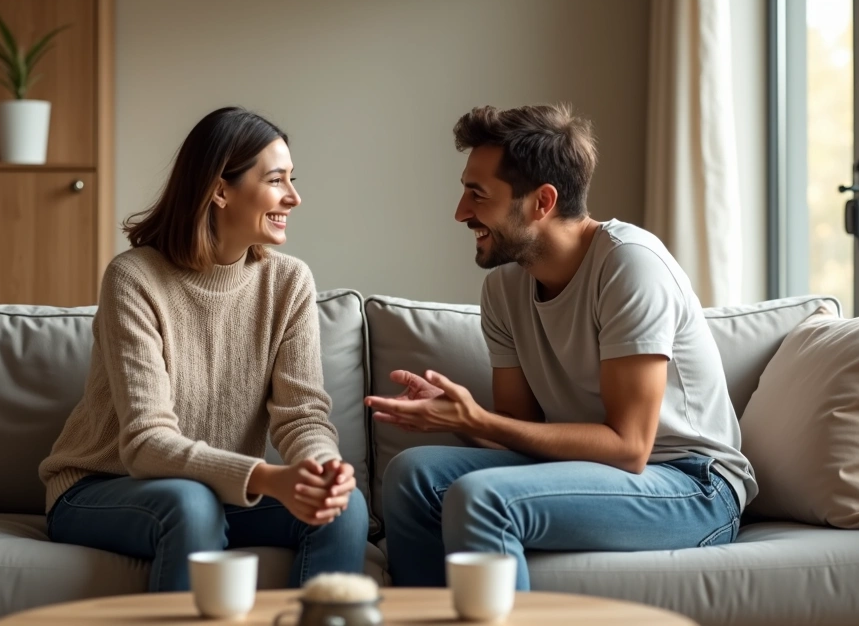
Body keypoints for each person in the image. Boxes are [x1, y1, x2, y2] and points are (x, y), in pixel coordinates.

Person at [368, 103, 756, 590]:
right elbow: (520, 431)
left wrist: (477, 419)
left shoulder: (629, 266)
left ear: (542, 202)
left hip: (692, 484)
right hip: (588, 471)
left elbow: (630, 448)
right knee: (410, 475)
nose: (461, 212)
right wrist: (456, 417)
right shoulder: (505, 289)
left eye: (477, 194)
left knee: (482, 497)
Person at [39, 107, 368, 592]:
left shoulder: (288, 281)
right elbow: (147, 444)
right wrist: (269, 478)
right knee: (192, 505)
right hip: (100, 488)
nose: (294, 197)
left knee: (345, 510)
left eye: (291, 179)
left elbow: (301, 415)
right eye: (276, 180)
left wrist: (320, 470)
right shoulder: (134, 278)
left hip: (216, 491)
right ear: (219, 190)